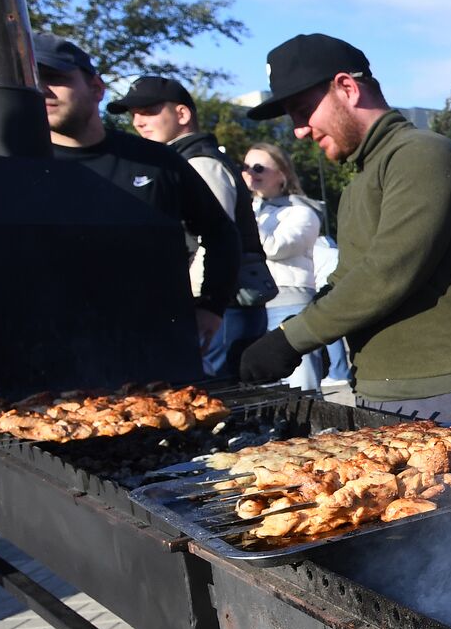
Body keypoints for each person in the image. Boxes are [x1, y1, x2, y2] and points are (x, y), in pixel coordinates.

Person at [237, 34, 451, 421]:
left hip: (440, 387)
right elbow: (348, 277)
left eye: (302, 109)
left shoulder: (421, 155)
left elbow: (387, 273)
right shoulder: (359, 182)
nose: (298, 130)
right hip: (379, 386)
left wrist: (290, 339)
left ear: (346, 87)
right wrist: (295, 326)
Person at [35, 34, 240, 352]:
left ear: (96, 89)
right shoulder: (17, 168)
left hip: (159, 348)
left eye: (55, 78)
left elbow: (222, 233)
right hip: (58, 352)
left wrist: (212, 305)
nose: (42, 90)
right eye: (33, 80)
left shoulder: (157, 161)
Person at [106, 75, 274, 375]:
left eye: (149, 111)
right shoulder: (183, 161)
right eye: (134, 115)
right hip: (224, 307)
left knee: (222, 404)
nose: (138, 122)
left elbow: (217, 237)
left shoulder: (200, 164)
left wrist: (205, 306)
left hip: (223, 309)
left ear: (182, 114)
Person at [241, 143, 326, 391]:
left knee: (302, 385)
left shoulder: (302, 212)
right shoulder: (253, 209)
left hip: (291, 303)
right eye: (245, 167)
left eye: (259, 167)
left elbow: (276, 248)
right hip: (254, 306)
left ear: (282, 173)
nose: (250, 173)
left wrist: (246, 216)